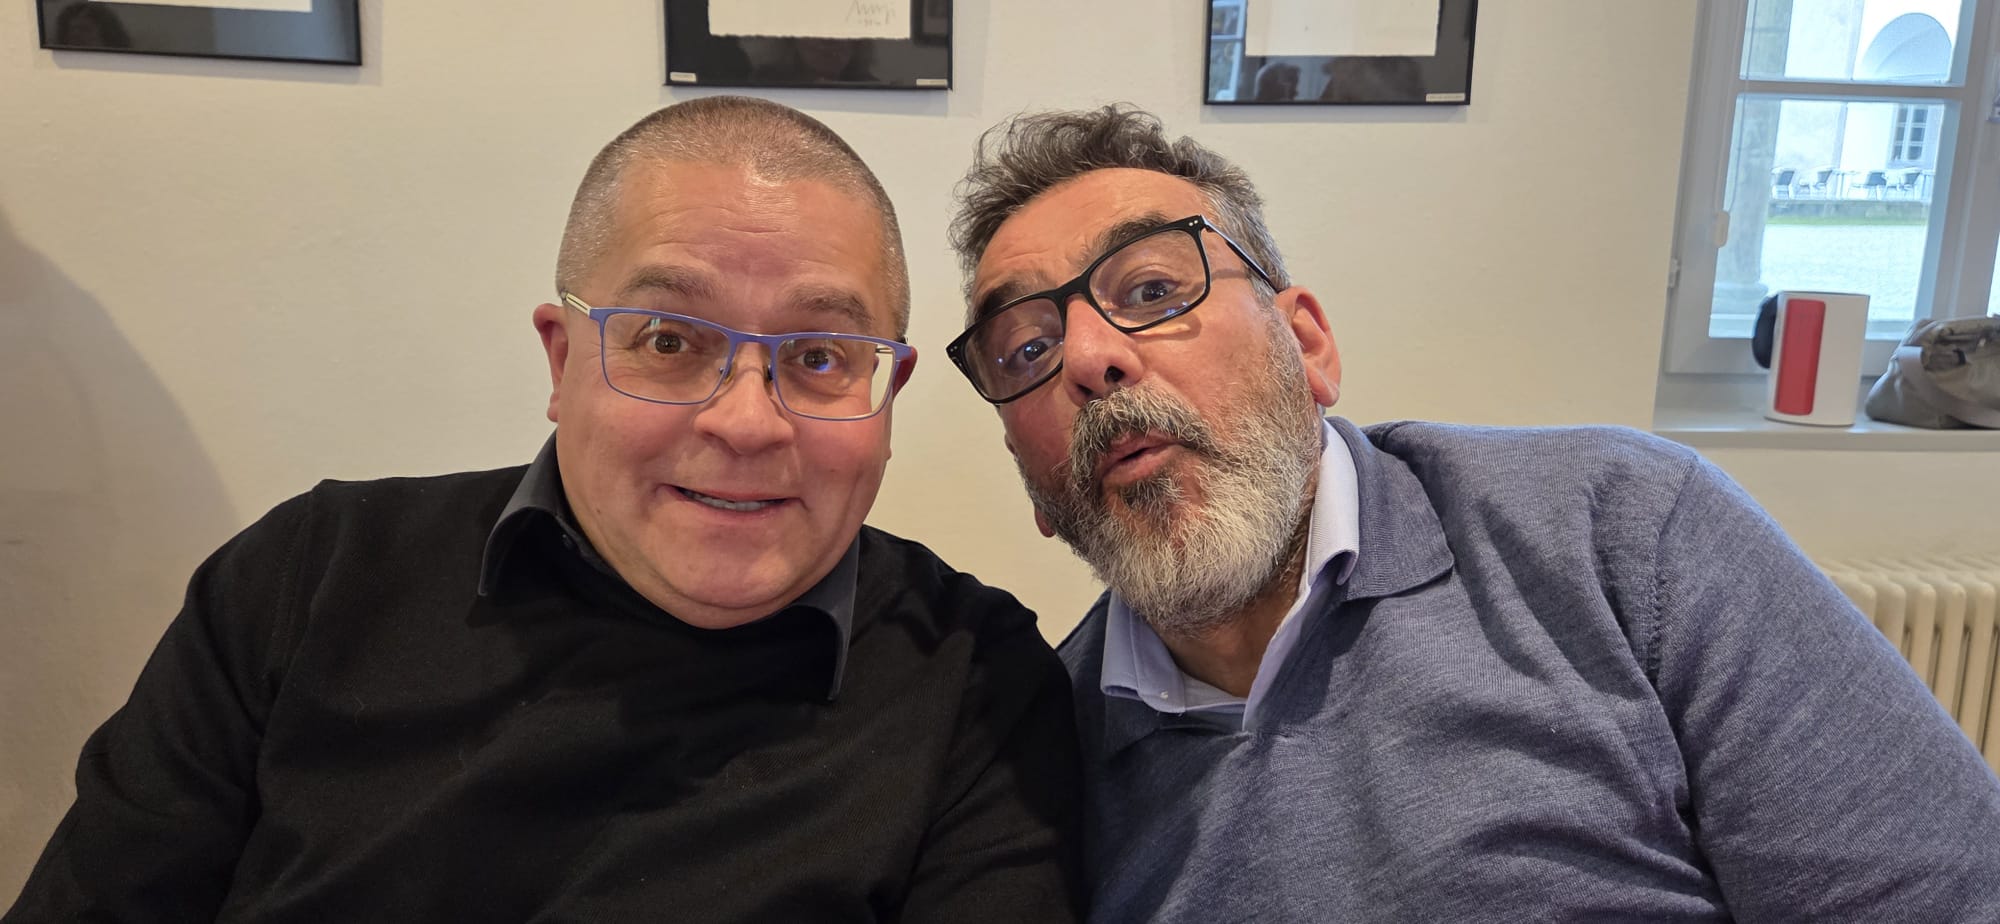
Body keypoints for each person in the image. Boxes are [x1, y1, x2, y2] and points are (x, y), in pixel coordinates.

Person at [6, 96, 1082, 922]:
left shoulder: (976, 684)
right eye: (670, 340)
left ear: (886, 393)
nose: (747, 422)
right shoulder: (310, 574)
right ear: (564, 362)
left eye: (819, 356)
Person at [942, 104, 2000, 922]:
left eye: (1149, 289)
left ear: (1306, 347)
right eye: (1027, 349)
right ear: (1032, 478)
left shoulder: (1620, 533)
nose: (1089, 358)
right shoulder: (1028, 763)